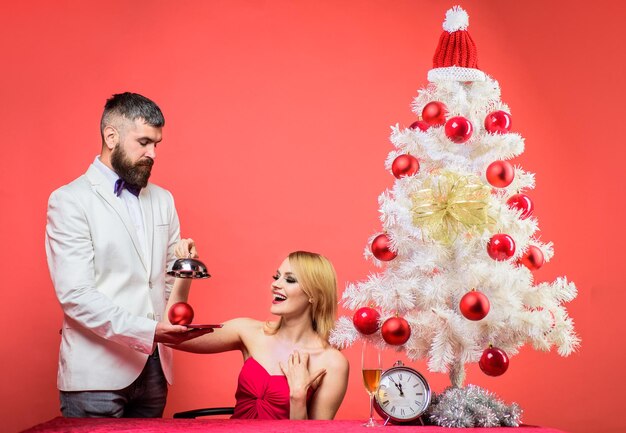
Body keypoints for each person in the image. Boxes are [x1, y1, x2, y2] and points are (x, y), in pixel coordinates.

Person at [45, 92, 211, 418]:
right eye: (144, 142)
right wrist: (147, 332)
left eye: (157, 144)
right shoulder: (69, 200)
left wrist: (184, 270)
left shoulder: (163, 200)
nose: (153, 154)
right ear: (111, 136)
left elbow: (166, 287)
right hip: (96, 377)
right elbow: (75, 295)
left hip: (154, 372)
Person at [168, 239, 350, 420]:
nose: (276, 284)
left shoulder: (332, 363)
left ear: (314, 295)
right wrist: (186, 270)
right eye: (276, 276)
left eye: (290, 279)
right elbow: (172, 335)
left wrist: (298, 398)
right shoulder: (248, 331)